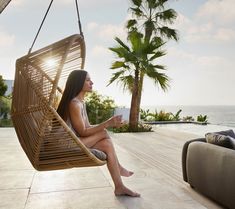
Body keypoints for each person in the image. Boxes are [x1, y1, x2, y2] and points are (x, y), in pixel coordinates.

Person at [57, 70, 140, 197]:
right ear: (78, 82)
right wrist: (107, 123)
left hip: (76, 141)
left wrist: (109, 123)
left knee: (106, 143)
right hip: (66, 145)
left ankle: (119, 187)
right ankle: (119, 169)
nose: (92, 82)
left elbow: (87, 127)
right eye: (87, 80)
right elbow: (83, 132)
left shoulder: (79, 102)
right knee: (104, 133)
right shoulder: (74, 104)